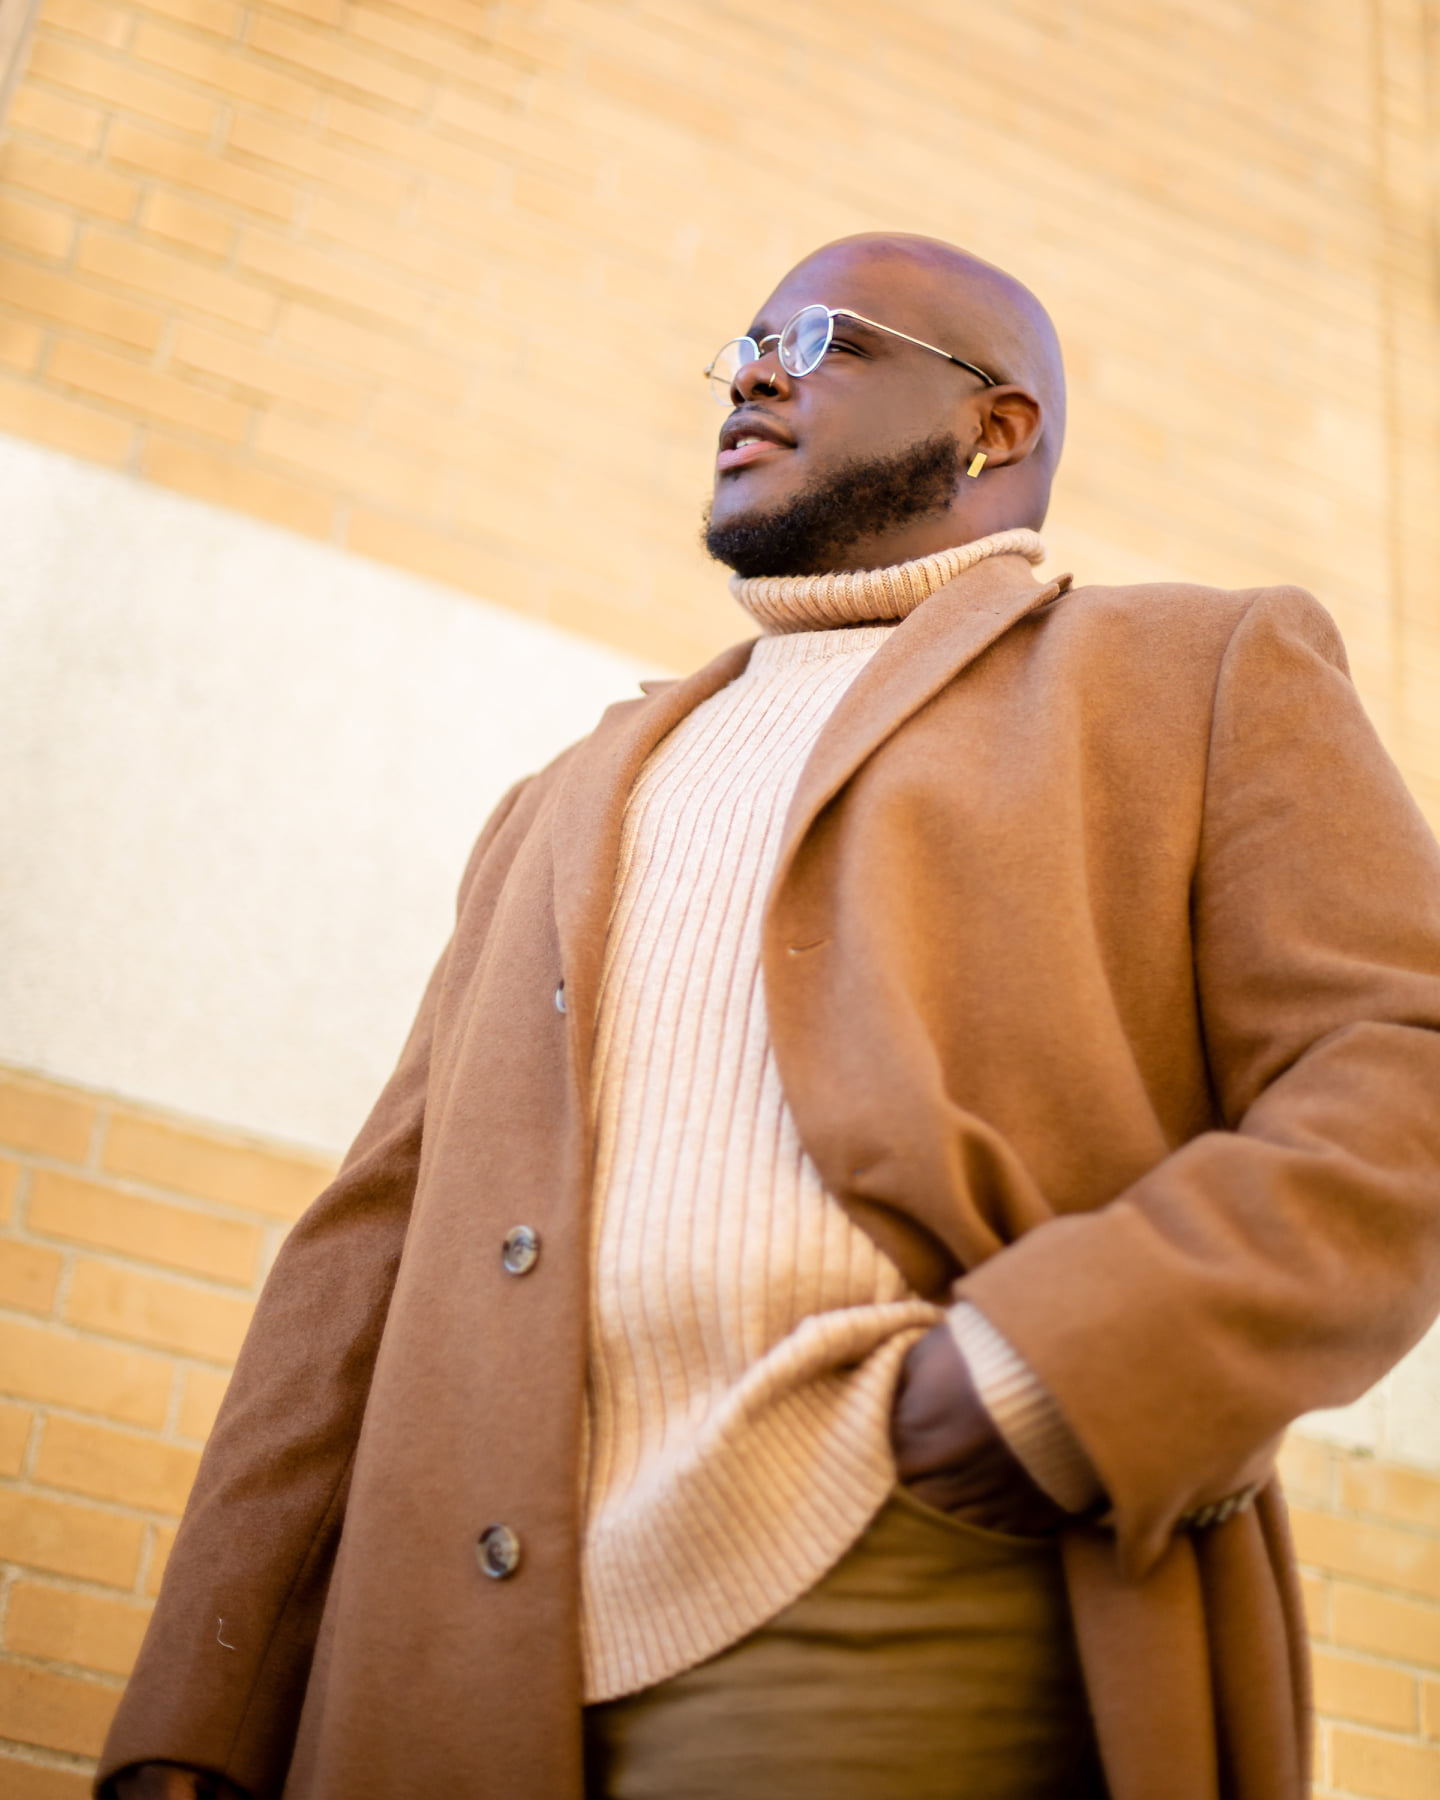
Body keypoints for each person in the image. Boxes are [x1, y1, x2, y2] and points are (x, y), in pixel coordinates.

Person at [99, 234, 1440, 1800]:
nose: (749, 372)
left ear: (993, 427)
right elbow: (366, 1255)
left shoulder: (1188, 669)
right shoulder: (566, 793)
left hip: (890, 1579)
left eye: (817, 339)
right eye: (742, 345)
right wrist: (204, 1709)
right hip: (438, 1675)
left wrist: (1055, 1374)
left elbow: (1396, 1067)